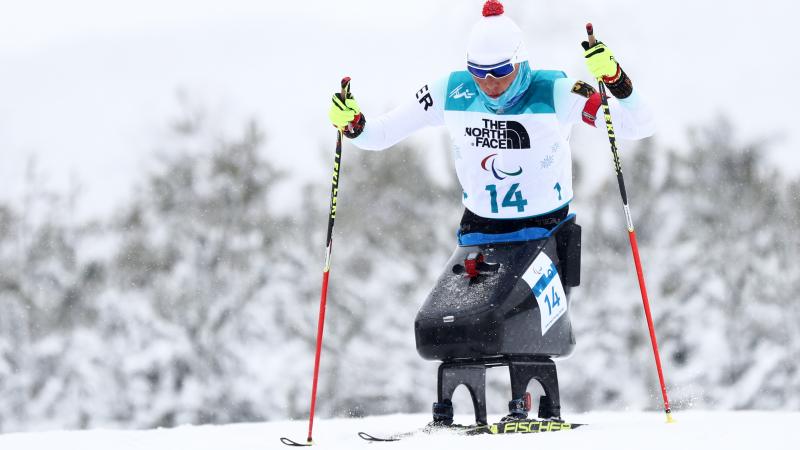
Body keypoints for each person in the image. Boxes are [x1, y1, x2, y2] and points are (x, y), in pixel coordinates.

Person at [328, 0, 655, 424]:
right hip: (480, 234)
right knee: (441, 327)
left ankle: (527, 399)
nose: (490, 84)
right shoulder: (452, 90)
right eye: (479, 73)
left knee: (503, 325)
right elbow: (381, 133)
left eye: (500, 72)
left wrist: (616, 80)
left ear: (519, 62)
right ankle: (453, 405)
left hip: (542, 233)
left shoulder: (555, 91)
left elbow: (638, 125)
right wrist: (354, 124)